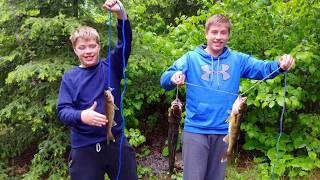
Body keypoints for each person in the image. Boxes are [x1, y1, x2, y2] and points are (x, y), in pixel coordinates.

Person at [160, 14, 295, 180]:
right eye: (214, 32)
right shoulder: (190, 58)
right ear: (206, 33)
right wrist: (173, 78)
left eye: (223, 33)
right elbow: (165, 79)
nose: (218, 37)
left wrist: (281, 65)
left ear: (228, 35)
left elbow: (265, 69)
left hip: (225, 132)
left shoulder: (238, 59)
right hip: (196, 131)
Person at [57, 0, 137, 179]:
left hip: (116, 143)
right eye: (82, 47)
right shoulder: (69, 78)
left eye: (92, 46)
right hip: (84, 147)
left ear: (99, 46)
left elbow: (125, 43)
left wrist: (120, 14)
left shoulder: (112, 65)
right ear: (75, 50)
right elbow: (63, 111)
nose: (88, 51)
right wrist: (81, 116)